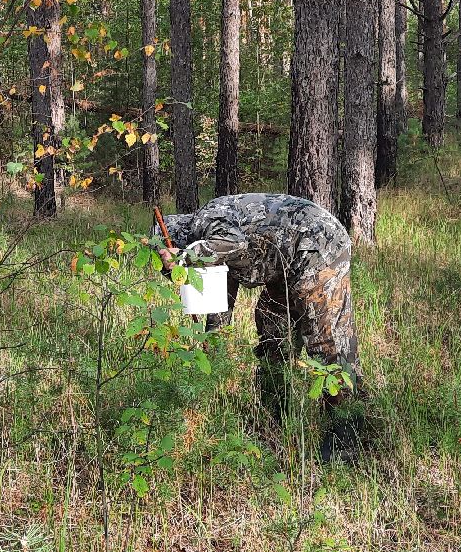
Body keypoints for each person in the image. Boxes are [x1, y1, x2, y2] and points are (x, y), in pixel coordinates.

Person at [156, 193, 364, 458]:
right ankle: (274, 415)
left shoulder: (207, 221)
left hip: (317, 244)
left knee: (326, 340)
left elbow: (235, 242)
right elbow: (219, 303)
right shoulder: (209, 251)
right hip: (282, 263)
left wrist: (187, 256)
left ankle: (346, 433)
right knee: (272, 327)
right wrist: (211, 349)